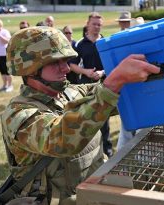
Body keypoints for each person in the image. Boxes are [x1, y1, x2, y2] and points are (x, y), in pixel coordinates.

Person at [1, 26, 160, 204]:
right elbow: (61, 140)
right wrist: (114, 82)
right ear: (30, 69)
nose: (66, 69)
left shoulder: (72, 92)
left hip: (94, 194)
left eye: (66, 61)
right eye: (55, 62)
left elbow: (115, 97)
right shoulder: (17, 114)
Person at [69, 12, 113, 157]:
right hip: (85, 87)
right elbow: (72, 65)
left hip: (103, 85)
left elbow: (111, 65)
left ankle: (107, 150)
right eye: (94, 24)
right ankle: (88, 150)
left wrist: (102, 72)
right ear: (87, 24)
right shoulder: (80, 44)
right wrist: (85, 71)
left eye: (99, 24)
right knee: (87, 118)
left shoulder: (105, 43)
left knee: (104, 119)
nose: (96, 27)